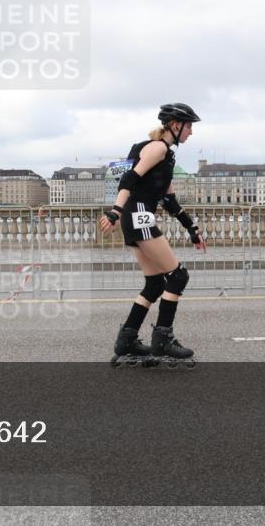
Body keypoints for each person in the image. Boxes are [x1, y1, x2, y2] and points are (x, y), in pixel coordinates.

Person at [99, 103, 207, 360]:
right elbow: (128, 179)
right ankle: (163, 339)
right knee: (178, 277)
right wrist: (114, 211)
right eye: (189, 126)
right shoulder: (157, 148)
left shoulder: (164, 154)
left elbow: (169, 201)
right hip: (138, 216)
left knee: (155, 283)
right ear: (175, 124)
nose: (191, 132)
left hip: (135, 216)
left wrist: (192, 229)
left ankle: (127, 339)